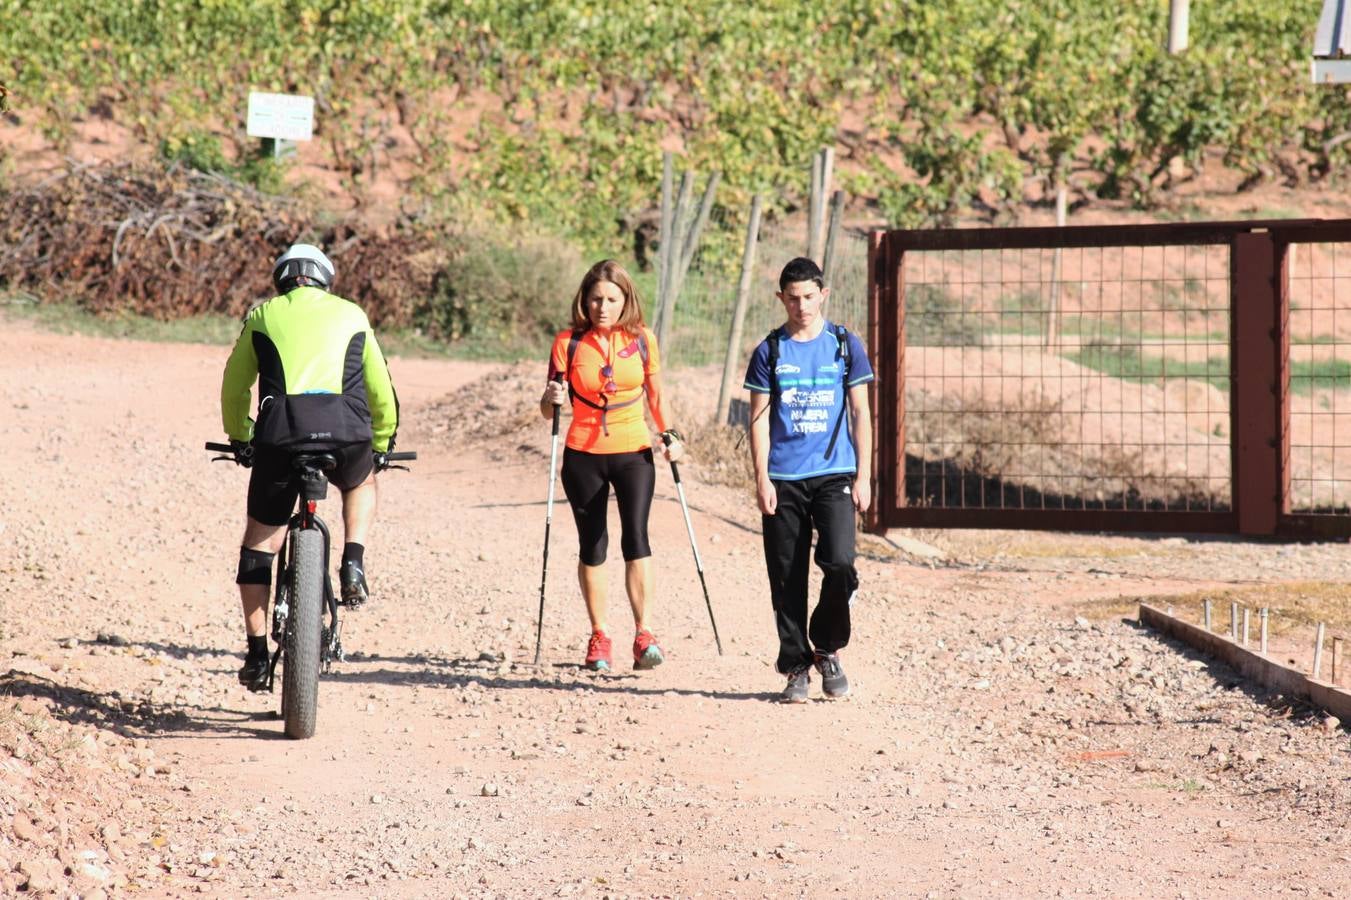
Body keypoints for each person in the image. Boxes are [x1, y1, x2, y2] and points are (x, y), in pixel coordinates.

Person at [219, 243, 400, 690]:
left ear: (281, 280)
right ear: (325, 279)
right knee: (361, 483)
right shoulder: (352, 314)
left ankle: (258, 652)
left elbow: (234, 385)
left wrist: (241, 437)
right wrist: (381, 443)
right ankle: (353, 560)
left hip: (280, 435)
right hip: (346, 432)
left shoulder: (263, 315)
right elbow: (381, 389)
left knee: (260, 543)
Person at [539, 259, 684, 672]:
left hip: (633, 450)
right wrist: (551, 398)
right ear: (584, 300)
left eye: (612, 299)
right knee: (593, 544)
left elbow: (656, 395)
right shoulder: (567, 342)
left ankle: (645, 634)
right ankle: (600, 635)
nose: (603, 306)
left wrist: (671, 435)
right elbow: (548, 412)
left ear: (626, 301)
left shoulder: (641, 339)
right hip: (582, 453)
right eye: (596, 298)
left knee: (636, 538)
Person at [744, 257, 874, 703]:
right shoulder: (770, 351)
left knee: (840, 562)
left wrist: (865, 476)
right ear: (781, 298)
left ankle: (827, 647)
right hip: (783, 477)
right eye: (792, 298)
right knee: (787, 576)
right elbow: (758, 421)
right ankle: (796, 666)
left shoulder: (844, 344)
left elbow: (861, 412)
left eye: (809, 297)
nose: (801, 306)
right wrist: (761, 479)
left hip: (834, 473)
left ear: (824, 295)